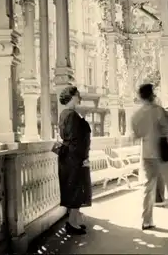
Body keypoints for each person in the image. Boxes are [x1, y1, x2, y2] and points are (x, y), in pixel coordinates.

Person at [131, 83, 168, 230]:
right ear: (152, 95)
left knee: (148, 187)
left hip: (147, 154)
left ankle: (146, 220)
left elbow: (136, 134)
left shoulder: (136, 115)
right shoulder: (159, 111)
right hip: (161, 152)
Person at [57, 86, 92, 235]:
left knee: (73, 188)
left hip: (68, 157)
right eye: (77, 95)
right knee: (76, 189)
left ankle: (75, 220)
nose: (79, 98)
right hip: (73, 158)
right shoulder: (71, 115)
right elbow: (76, 140)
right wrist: (84, 158)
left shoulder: (64, 114)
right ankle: (72, 223)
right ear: (72, 97)